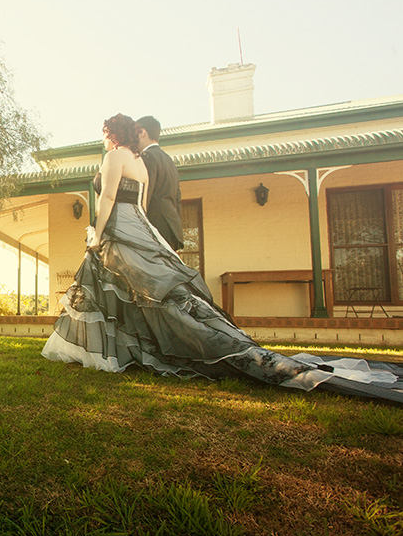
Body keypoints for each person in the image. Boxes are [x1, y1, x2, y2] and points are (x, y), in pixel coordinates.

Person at [42, 113, 403, 403]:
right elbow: (141, 204)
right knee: (145, 295)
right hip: (141, 228)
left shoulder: (113, 156)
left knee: (123, 292)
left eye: (104, 133)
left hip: (120, 228)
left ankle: (113, 353)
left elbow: (106, 201)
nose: (103, 139)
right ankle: (129, 352)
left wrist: (98, 234)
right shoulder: (140, 162)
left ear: (111, 134)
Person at [136, 115, 183, 251]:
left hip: (156, 227)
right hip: (171, 228)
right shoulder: (168, 160)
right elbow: (177, 198)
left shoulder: (147, 157)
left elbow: (146, 194)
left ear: (142, 132)